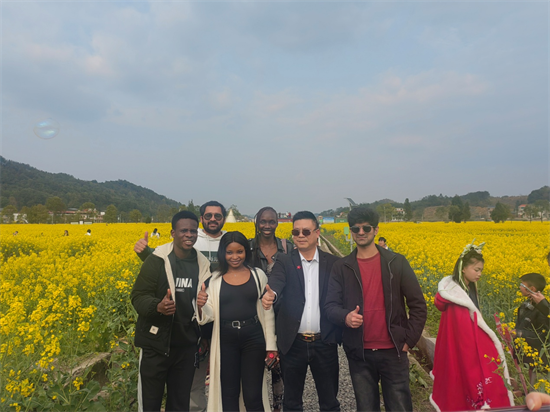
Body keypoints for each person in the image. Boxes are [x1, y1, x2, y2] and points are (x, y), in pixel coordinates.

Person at [325, 207, 427, 412]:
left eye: (366, 228)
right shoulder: (342, 267)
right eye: (356, 229)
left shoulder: (396, 262)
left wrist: (408, 341)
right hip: (359, 353)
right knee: (366, 408)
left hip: (394, 351)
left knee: (399, 407)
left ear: (376, 230)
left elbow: (418, 305)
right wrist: (345, 317)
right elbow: (330, 306)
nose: (361, 232)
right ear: (351, 231)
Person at [134, 200, 227, 412]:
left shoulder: (202, 264)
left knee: (179, 404)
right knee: (150, 403)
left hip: (186, 346)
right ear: (173, 233)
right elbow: (138, 296)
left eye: (193, 231)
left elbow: (208, 301)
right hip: (157, 344)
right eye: (184, 230)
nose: (189, 235)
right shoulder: (156, 260)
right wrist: (157, 306)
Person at [262, 211, 341, 412]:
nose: (300, 235)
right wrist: (271, 294)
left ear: (317, 233)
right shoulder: (284, 260)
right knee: (292, 402)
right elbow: (276, 281)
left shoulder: (332, 263)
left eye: (306, 231)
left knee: (330, 401)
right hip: (293, 343)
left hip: (324, 342)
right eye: (295, 232)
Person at [197, 231, 277, 412]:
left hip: (253, 339)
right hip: (225, 340)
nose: (235, 257)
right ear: (223, 253)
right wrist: (201, 306)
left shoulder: (258, 275)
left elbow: (267, 311)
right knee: (229, 394)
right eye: (229, 252)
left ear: (246, 252)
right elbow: (209, 315)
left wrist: (271, 345)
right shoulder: (214, 280)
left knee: (253, 395)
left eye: (239, 252)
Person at [430, 240, 514, 411]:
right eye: (476, 270)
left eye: (481, 270)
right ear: (463, 268)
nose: (479, 274)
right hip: (466, 349)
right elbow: (464, 332)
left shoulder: (464, 289)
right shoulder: (457, 298)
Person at [249, 206, 293, 412]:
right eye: (263, 221)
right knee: (254, 368)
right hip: (255, 315)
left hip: (282, 315)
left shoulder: (287, 247)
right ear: (257, 222)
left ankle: (278, 406)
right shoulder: (247, 247)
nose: (267, 225)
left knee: (281, 368)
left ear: (277, 223)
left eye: (272, 221)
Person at [516, 273, 550, 384]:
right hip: (528, 357)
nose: (520, 287)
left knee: (539, 386)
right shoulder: (524, 306)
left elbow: (544, 337)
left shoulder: (543, 311)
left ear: (532, 289)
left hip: (541, 360)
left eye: (522, 285)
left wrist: (520, 333)